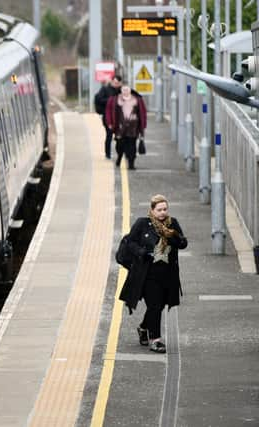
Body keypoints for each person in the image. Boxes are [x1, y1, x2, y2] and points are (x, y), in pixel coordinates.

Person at [119, 195, 188, 353]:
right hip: (147, 274)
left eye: (165, 209)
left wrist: (176, 237)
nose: (163, 212)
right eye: (159, 210)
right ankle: (155, 340)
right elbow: (130, 242)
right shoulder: (142, 224)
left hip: (167, 274)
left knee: (159, 306)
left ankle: (143, 327)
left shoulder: (173, 223)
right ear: (152, 210)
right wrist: (143, 252)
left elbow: (182, 243)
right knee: (155, 305)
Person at [105, 85, 147, 170]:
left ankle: (131, 163)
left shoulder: (137, 99)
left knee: (132, 145)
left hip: (133, 126)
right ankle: (120, 156)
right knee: (120, 144)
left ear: (130, 90)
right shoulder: (114, 99)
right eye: (123, 90)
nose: (125, 91)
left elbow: (143, 112)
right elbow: (108, 111)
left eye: (127, 90)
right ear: (120, 91)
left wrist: (143, 125)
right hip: (119, 126)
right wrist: (109, 123)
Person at [94, 75, 122, 159]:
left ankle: (120, 153)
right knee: (109, 135)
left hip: (119, 117)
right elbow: (98, 99)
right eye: (115, 82)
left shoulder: (122, 90)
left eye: (118, 83)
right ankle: (108, 154)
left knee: (119, 136)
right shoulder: (105, 89)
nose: (116, 84)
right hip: (108, 116)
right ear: (112, 81)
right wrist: (111, 100)